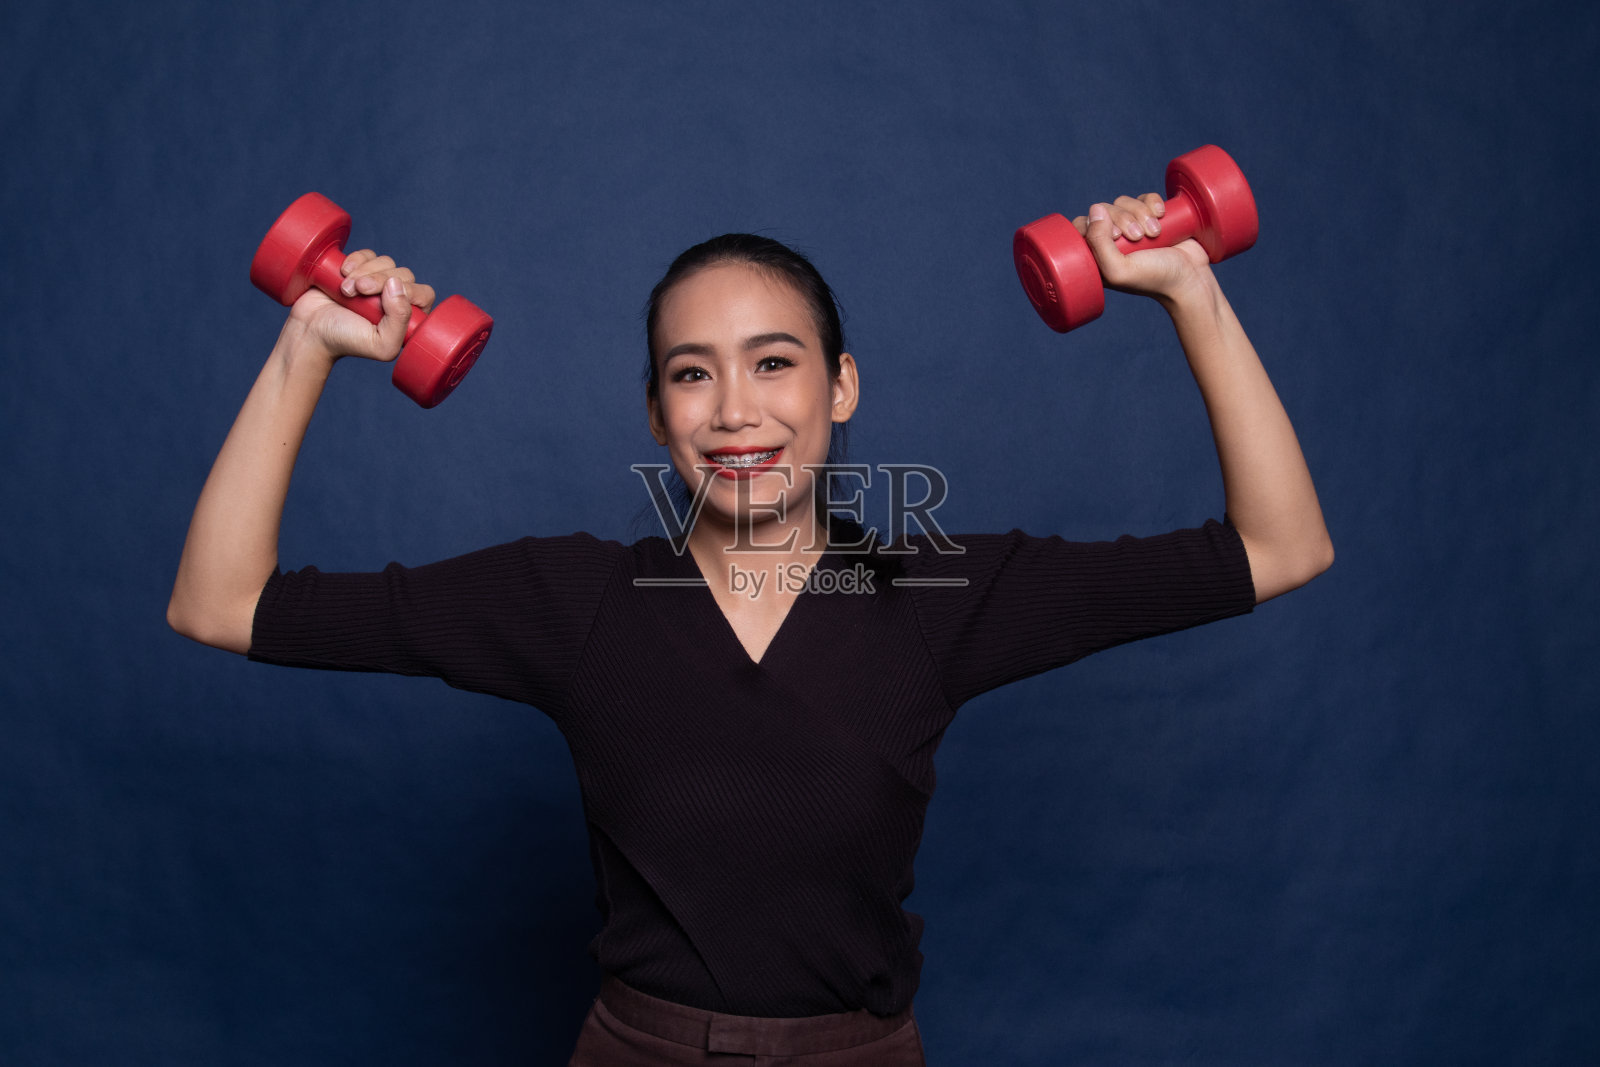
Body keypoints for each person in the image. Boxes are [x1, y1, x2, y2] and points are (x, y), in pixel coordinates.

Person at [169, 190, 1332, 1066]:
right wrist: (309, 340)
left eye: (773, 363)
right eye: (691, 372)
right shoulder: (566, 601)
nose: (733, 409)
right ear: (655, 410)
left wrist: (1191, 285)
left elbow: (1280, 546)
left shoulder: (940, 593)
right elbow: (221, 602)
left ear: (841, 387)